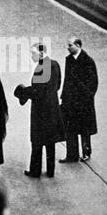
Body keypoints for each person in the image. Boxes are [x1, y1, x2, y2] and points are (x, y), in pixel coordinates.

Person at [14, 43, 64, 178]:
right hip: (52, 108)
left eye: (33, 53)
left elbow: (38, 91)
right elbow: (57, 85)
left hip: (40, 110)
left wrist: (24, 92)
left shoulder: (41, 68)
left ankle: (35, 170)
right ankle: (50, 170)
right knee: (50, 141)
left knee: (36, 141)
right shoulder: (55, 64)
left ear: (41, 54)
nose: (32, 56)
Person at [59, 37, 98, 163]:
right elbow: (66, 80)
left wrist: (87, 97)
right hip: (70, 101)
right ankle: (71, 155)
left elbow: (93, 82)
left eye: (70, 45)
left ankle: (86, 152)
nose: (68, 48)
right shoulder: (69, 60)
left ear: (78, 45)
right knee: (70, 128)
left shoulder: (88, 61)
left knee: (84, 128)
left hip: (83, 102)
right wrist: (64, 97)